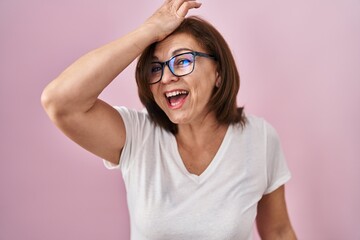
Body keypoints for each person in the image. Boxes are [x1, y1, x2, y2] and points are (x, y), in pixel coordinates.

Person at [41, 0, 297, 239]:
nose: (166, 78)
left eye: (183, 61)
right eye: (155, 67)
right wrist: (149, 31)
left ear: (218, 74)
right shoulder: (137, 136)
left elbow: (278, 231)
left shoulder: (259, 139)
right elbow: (60, 101)